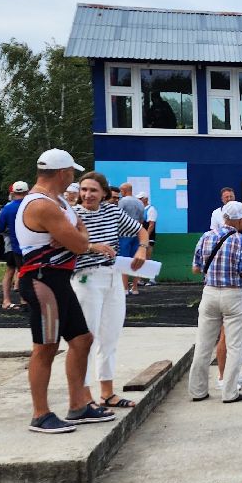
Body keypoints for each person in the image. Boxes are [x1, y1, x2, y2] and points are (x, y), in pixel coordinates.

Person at [17, 149, 119, 433]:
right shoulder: (41, 204)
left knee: (82, 339)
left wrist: (77, 238)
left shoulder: (60, 201)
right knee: (46, 346)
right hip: (42, 280)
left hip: (59, 278)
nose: (72, 178)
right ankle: (40, 413)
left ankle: (78, 405)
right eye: (72, 173)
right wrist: (78, 240)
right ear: (63, 173)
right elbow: (78, 243)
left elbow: (79, 234)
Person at [73, 171, 150, 411]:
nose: (87, 195)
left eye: (93, 190)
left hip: (113, 276)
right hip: (86, 278)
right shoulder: (73, 215)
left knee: (110, 336)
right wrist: (92, 247)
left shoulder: (113, 211)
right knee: (87, 337)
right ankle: (85, 397)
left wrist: (142, 250)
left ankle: (107, 392)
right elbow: (66, 243)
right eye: (84, 190)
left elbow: (141, 230)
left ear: (104, 193)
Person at [189, 200, 242, 404]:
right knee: (234, 346)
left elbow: (196, 268)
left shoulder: (206, 236)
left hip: (209, 293)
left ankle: (198, 391)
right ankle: (229, 392)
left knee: (203, 344)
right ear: (237, 219)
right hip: (233, 295)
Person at [0, 181, 29, 311]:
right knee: (27, 274)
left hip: (14, 246)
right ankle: (26, 301)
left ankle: (7, 300)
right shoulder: (32, 205)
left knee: (11, 271)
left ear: (13, 193)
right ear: (27, 192)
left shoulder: (8, 208)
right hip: (33, 246)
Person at [116, 183, 147, 296]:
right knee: (137, 261)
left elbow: (117, 217)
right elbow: (142, 220)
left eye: (121, 191)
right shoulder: (140, 203)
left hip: (124, 234)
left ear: (124, 191)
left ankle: (124, 288)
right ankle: (135, 288)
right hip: (137, 234)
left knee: (124, 261)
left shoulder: (122, 202)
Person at [139, 192, 158, 283]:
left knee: (148, 257)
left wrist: (145, 236)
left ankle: (152, 278)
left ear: (145, 199)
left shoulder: (151, 209)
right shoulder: (141, 210)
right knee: (140, 257)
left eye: (140, 199)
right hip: (141, 237)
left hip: (149, 237)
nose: (139, 201)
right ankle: (139, 279)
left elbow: (151, 225)